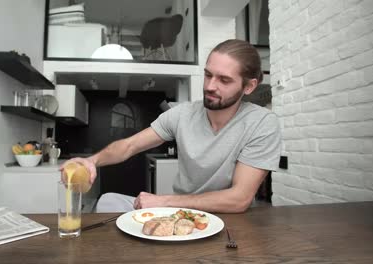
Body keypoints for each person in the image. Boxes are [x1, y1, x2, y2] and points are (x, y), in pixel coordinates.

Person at [61, 39, 281, 213]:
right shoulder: (182, 114)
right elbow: (129, 146)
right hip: (179, 213)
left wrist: (164, 202)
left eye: (224, 80)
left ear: (249, 86)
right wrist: (92, 160)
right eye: (207, 75)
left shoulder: (262, 123)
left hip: (229, 221)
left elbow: (239, 199)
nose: (210, 86)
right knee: (108, 201)